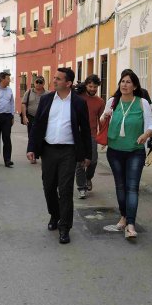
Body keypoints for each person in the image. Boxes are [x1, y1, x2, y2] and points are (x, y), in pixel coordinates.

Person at [26, 67, 91, 244]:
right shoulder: (47, 99)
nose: (53, 81)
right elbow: (37, 125)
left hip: (68, 151)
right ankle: (54, 215)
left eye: (58, 79)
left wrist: (87, 154)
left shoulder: (78, 102)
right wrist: (31, 147)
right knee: (48, 187)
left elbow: (85, 129)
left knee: (65, 189)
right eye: (54, 78)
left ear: (68, 83)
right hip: (48, 150)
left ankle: (65, 227)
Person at [101, 70, 152, 239]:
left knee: (132, 188)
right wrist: (105, 115)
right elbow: (102, 122)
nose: (124, 84)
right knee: (120, 186)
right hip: (115, 151)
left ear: (135, 86)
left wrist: (145, 135)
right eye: (122, 81)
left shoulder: (142, 103)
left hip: (135, 152)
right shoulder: (112, 101)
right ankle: (123, 217)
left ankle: (131, 224)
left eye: (128, 82)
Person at [76, 74, 106, 199]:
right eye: (90, 86)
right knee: (79, 163)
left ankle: (88, 178)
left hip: (92, 135)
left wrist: (104, 137)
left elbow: (102, 120)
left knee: (93, 161)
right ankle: (81, 188)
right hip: (77, 134)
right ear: (86, 85)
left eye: (95, 87)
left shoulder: (100, 102)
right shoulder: (78, 97)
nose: (92, 89)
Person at [0, 71, 16, 168]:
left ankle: (7, 160)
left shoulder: (9, 90)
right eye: (8, 78)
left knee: (6, 138)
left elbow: (12, 103)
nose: (9, 80)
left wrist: (12, 116)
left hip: (7, 117)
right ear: (2, 79)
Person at [20, 76, 46, 165]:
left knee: (43, 137)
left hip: (43, 118)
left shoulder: (47, 93)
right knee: (32, 136)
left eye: (40, 82)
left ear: (44, 83)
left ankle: (43, 155)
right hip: (31, 117)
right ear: (34, 83)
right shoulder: (29, 92)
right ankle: (33, 156)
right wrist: (24, 116)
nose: (38, 84)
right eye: (37, 82)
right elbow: (23, 104)